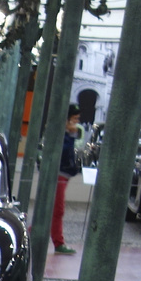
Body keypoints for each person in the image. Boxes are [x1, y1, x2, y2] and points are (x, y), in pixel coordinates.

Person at [53, 103, 82, 255]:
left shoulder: (65, 133)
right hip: (60, 174)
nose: (76, 122)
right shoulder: (64, 134)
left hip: (62, 174)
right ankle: (58, 242)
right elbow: (64, 151)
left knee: (53, 209)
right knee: (57, 209)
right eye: (74, 119)